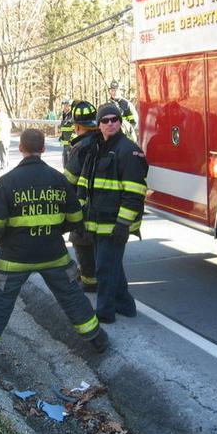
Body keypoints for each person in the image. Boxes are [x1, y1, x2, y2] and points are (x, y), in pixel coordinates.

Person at [0, 128, 109, 373]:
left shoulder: (8, 182)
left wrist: (5, 238)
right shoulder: (58, 179)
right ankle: (97, 339)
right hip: (53, 254)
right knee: (71, 296)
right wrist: (55, 230)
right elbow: (76, 217)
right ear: (44, 149)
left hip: (14, 259)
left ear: (21, 149)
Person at [77, 103, 148, 324]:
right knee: (111, 266)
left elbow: (135, 192)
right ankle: (125, 305)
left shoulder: (129, 150)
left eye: (114, 119)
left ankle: (105, 314)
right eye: (105, 120)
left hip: (114, 224)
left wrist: (123, 224)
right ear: (98, 124)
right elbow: (85, 184)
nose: (110, 124)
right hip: (97, 222)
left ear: (120, 121)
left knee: (104, 269)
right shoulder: (96, 148)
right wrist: (80, 217)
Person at [63, 100, 101, 293]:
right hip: (105, 205)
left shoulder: (80, 147)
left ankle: (89, 281)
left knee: (81, 240)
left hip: (84, 204)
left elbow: (69, 179)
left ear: (77, 126)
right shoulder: (106, 140)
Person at [59, 98, 75, 167]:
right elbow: (64, 128)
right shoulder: (64, 115)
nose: (65, 107)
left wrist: (71, 140)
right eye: (64, 105)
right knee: (65, 163)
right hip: (65, 145)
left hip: (70, 145)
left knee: (69, 164)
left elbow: (74, 130)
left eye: (67, 105)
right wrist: (61, 137)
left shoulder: (72, 116)